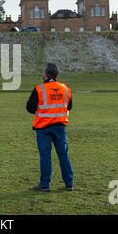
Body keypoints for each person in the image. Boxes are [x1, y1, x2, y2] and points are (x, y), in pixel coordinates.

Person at [26, 63, 74, 192]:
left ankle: (45, 184)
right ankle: (69, 183)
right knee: (63, 154)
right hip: (60, 127)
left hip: (43, 128)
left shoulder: (39, 89)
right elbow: (69, 107)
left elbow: (29, 108)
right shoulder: (66, 88)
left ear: (46, 74)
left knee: (45, 156)